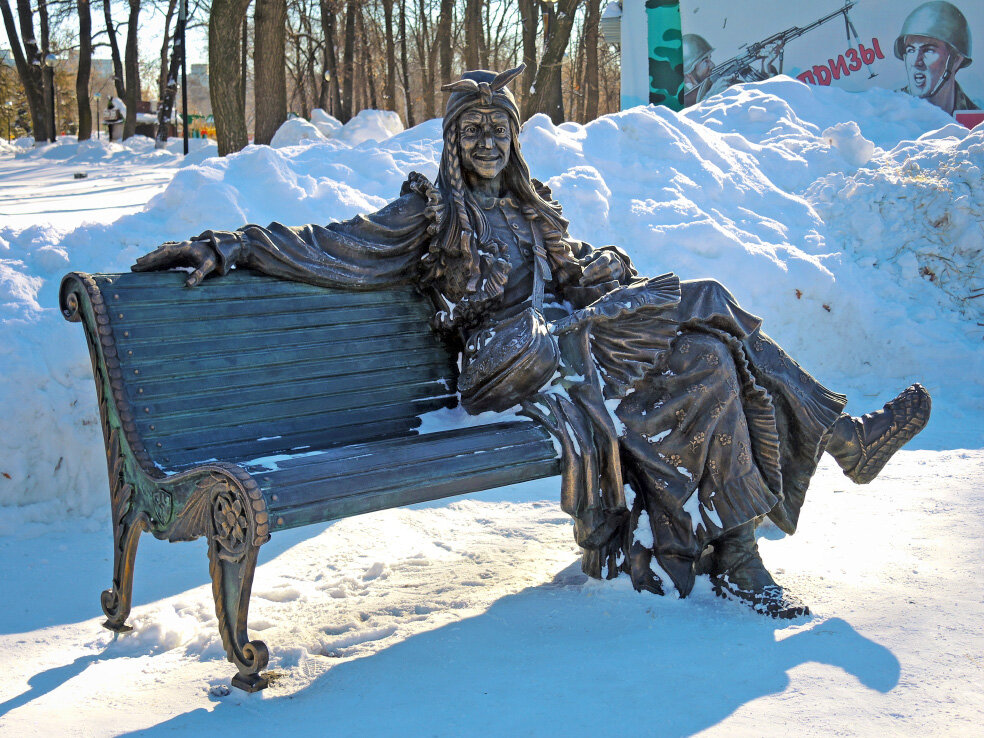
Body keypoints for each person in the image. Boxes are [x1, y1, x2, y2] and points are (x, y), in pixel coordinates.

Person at [133, 65, 930, 618]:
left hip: (561, 346)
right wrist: (230, 246)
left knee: (704, 357)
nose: (488, 142)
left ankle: (736, 553)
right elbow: (335, 244)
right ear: (453, 140)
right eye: (474, 130)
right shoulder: (431, 213)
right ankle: (839, 435)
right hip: (497, 366)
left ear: (514, 141)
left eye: (499, 131)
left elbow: (574, 278)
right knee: (706, 299)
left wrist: (601, 272)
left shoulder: (530, 210)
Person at [895, 1, 979, 116]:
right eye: (911, 50)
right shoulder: (887, 109)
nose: (915, 62)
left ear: (955, 60)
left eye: (928, 50)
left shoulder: (976, 120)